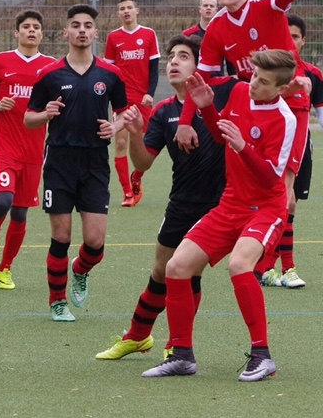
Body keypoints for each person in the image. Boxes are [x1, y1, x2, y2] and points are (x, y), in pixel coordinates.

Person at [141, 50, 299, 382]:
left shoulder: (286, 119)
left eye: (264, 82)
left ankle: (262, 355)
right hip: (230, 205)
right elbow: (219, 135)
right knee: (176, 267)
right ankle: (182, 355)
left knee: (239, 264)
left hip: (266, 209)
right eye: (254, 75)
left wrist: (244, 146)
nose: (254, 84)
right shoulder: (241, 92)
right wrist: (207, 107)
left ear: (281, 89)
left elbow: (272, 180)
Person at [175, 0, 323, 255]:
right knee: (243, 185)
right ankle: (253, 252)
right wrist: (185, 120)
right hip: (251, 103)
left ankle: (279, 265)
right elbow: (199, 81)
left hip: (290, 104)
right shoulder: (218, 27)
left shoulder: (265, 5)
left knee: (283, 192)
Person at [95, 35, 238, 360]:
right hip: (181, 203)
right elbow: (143, 162)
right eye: (171, 56)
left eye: (183, 56)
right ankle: (137, 336)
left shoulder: (225, 93)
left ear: (201, 65)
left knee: (187, 271)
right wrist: (135, 133)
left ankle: (177, 343)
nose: (173, 61)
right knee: (161, 272)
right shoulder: (163, 111)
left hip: (219, 204)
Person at [24, 4, 128, 322]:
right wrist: (46, 114)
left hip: (96, 163)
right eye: (75, 25)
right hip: (59, 162)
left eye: (87, 26)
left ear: (95, 33)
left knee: (95, 242)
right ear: (66, 32)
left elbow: (124, 112)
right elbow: (29, 118)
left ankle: (80, 269)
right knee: (62, 236)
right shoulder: (49, 74)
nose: (81, 30)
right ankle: (57, 301)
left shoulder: (110, 74)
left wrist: (116, 126)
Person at [0, 9, 56, 290]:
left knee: (21, 213)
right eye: (26, 27)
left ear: (42, 34)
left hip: (34, 151)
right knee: (4, 201)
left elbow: (60, 105)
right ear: (17, 33)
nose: (31, 31)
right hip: (4, 146)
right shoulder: (0, 61)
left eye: (36, 27)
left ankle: (6, 268)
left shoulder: (50, 67)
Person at [261, 13, 323, 288]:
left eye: (295, 36)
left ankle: (267, 268)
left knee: (288, 206)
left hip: (300, 146)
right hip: (273, 146)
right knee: (284, 202)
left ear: (303, 41)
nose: (290, 40)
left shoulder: (312, 74)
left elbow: (321, 111)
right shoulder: (269, 73)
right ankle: (286, 268)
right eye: (286, 35)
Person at [104, 0, 160, 207]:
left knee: (143, 148)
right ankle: (127, 192)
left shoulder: (148, 34)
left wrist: (150, 93)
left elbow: (154, 69)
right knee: (120, 142)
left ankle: (136, 178)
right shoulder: (113, 37)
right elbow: (109, 71)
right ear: (118, 14)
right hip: (122, 99)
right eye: (122, 8)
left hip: (142, 99)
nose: (126, 11)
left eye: (129, 7)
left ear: (137, 10)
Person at [183, 0, 235, 76]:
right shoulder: (188, 35)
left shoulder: (224, 34)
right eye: (205, 5)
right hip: (195, 81)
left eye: (211, 6)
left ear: (217, 10)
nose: (208, 8)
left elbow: (231, 65)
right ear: (199, 9)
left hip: (217, 83)